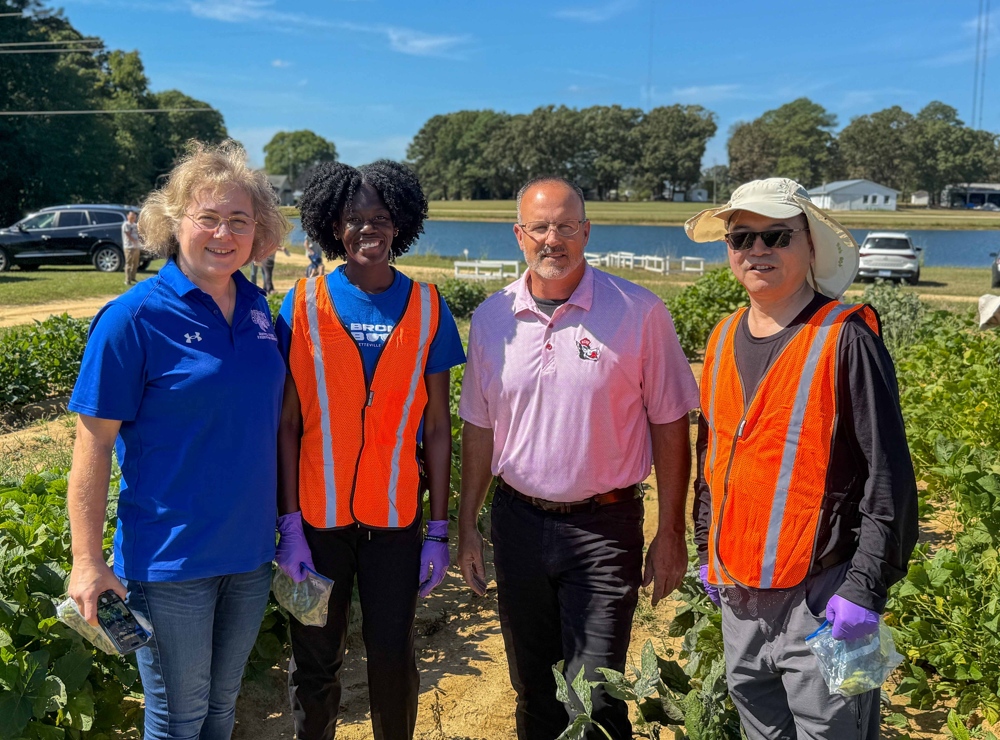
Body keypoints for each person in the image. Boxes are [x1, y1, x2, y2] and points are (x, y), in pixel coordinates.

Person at [457, 177, 700, 740]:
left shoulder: (638, 311)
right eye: (540, 227)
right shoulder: (493, 318)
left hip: (604, 527)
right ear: (519, 235)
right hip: (517, 523)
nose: (553, 239)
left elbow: (670, 424)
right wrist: (468, 525)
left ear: (587, 232)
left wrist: (670, 533)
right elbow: (478, 427)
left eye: (566, 226)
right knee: (534, 687)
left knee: (594, 694)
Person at [66, 140, 290, 739]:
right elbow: (88, 451)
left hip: (248, 554)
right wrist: (86, 561)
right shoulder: (133, 318)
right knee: (176, 718)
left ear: (258, 230)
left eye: (239, 221)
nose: (224, 233)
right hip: (170, 561)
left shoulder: (261, 311)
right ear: (175, 222)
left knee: (222, 707)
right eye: (208, 218)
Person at [685, 178, 919, 740]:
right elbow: (713, 460)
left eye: (776, 236)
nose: (757, 250)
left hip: (825, 599)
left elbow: (889, 477)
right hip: (740, 596)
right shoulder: (720, 338)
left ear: (810, 244)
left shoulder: (846, 338)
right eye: (742, 238)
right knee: (760, 731)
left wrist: (864, 591)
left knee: (836, 730)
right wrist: (705, 545)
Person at [274, 160, 466, 740]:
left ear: (399, 223)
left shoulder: (429, 307)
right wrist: (288, 524)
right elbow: (287, 424)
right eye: (353, 219)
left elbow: (438, 427)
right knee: (315, 664)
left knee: (391, 657)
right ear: (333, 225)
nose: (367, 230)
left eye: (380, 218)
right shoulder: (302, 304)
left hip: (395, 525)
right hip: (316, 527)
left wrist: (437, 530)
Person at [121, 210, 141, 285]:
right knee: (128, 264)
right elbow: (128, 235)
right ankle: (127, 280)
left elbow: (138, 234)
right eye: (131, 216)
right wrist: (134, 241)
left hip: (136, 247)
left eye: (134, 216)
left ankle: (133, 277)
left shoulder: (135, 225)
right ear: (128, 216)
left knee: (135, 263)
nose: (133, 217)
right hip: (128, 247)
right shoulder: (126, 225)